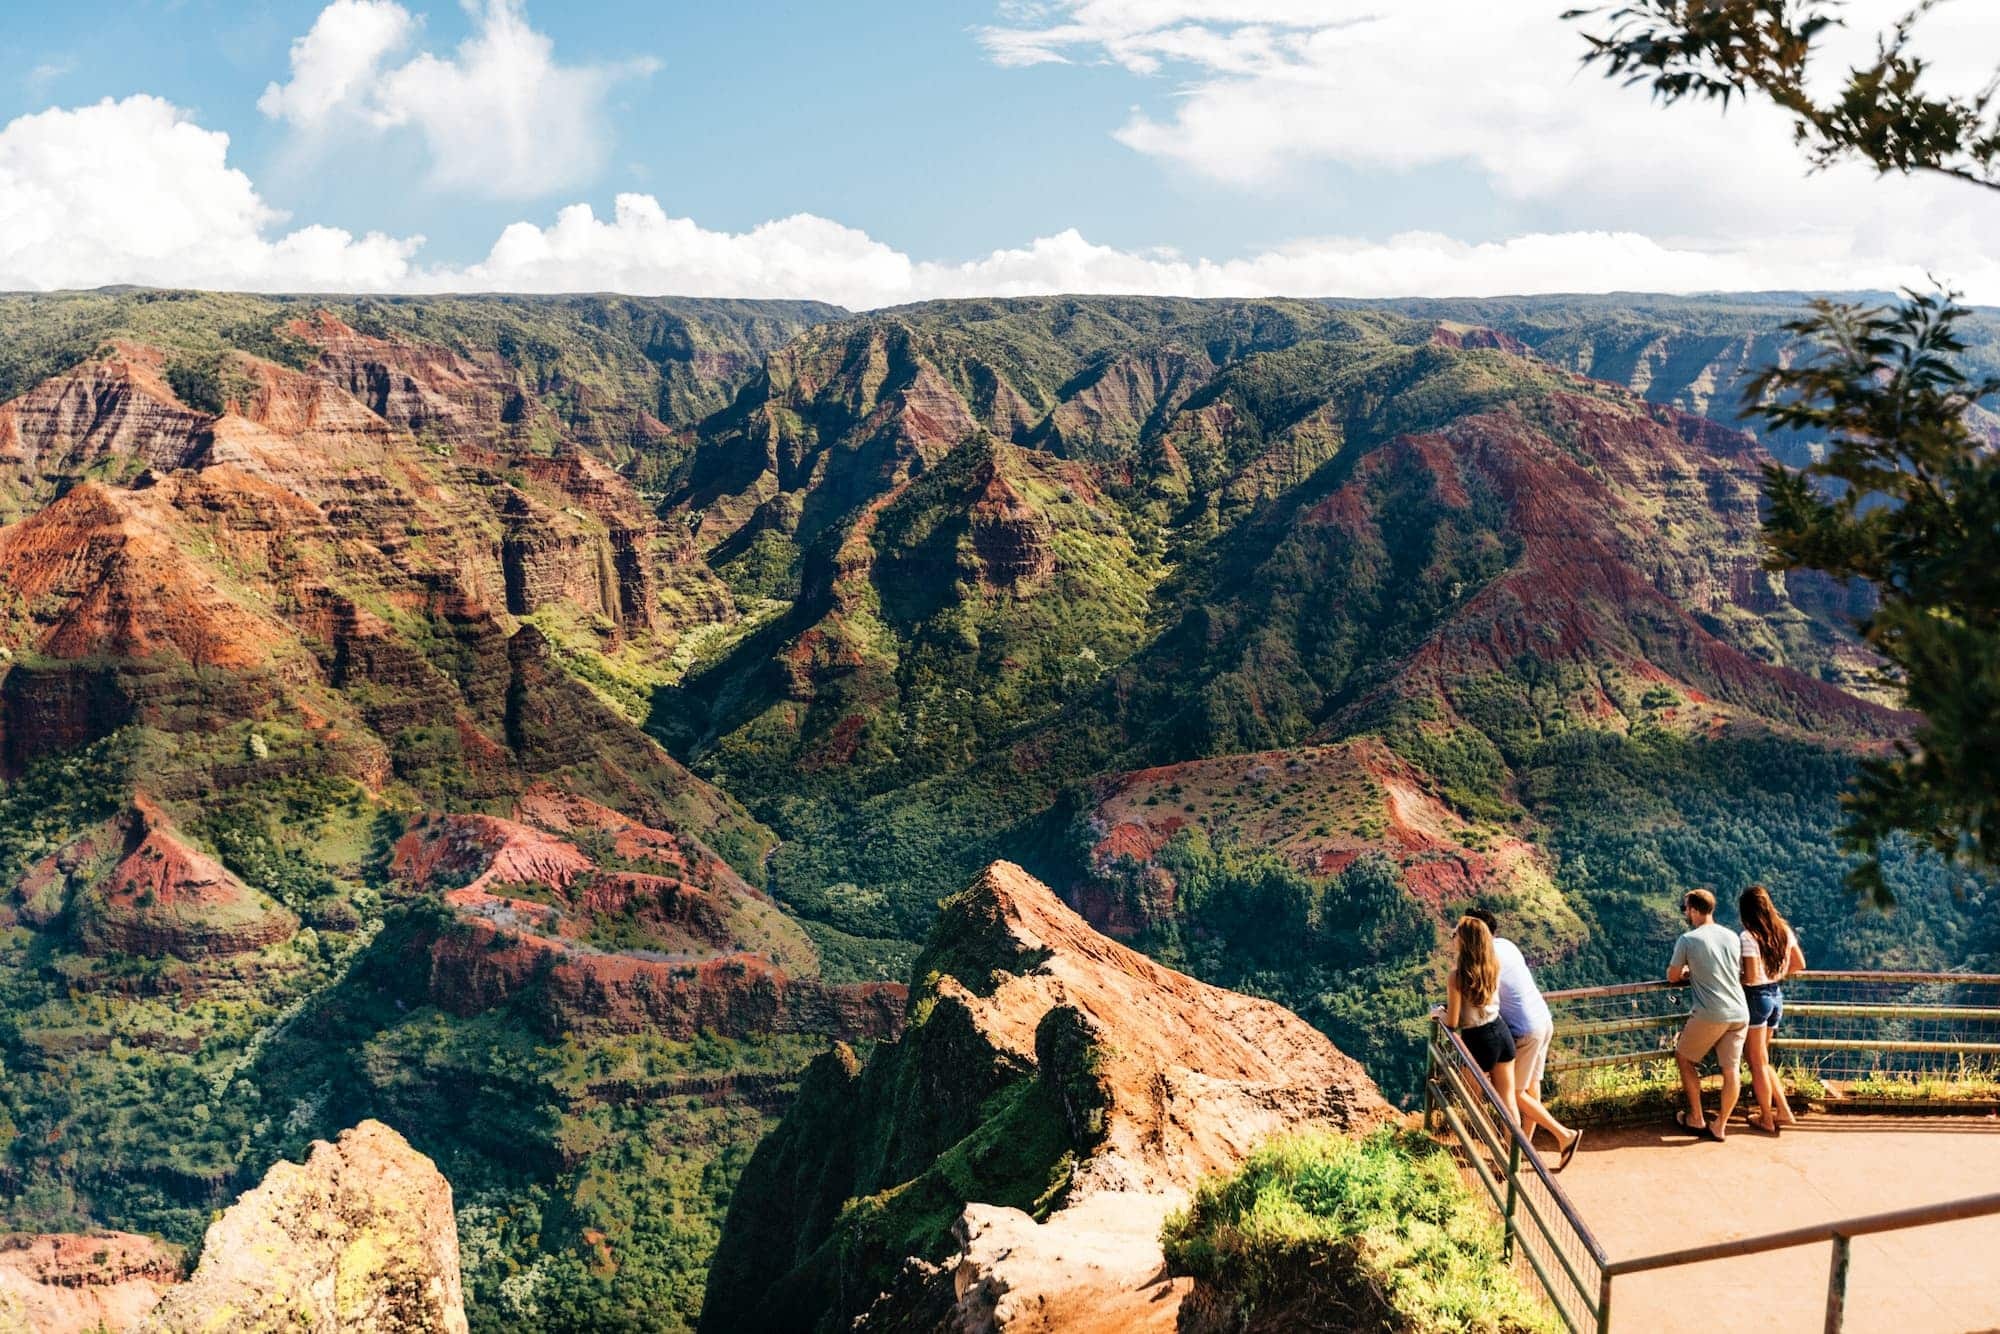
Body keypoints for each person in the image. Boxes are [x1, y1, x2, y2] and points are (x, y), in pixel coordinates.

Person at [1468, 908, 1584, 1170]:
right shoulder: (1507, 945)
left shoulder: (1488, 957)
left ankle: (1564, 1135)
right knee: (1531, 1087)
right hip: (1544, 1019)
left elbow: (1482, 999)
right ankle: (1522, 1150)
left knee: (1511, 1093)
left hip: (1525, 1030)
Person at [1667, 888, 1750, 1141]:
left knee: (1684, 1058)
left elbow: (1672, 976)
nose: (1685, 914)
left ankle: (1697, 1118)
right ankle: (1720, 1125)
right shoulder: (1732, 936)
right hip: (1739, 1011)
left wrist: (1689, 974)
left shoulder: (1688, 940)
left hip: (1711, 1012)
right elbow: (1734, 970)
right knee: (1731, 1069)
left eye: (1685, 909)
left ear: (1693, 909)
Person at [1739, 884, 1807, 1133]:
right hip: (1776, 995)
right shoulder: (1784, 931)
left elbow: (1747, 977)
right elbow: (1799, 963)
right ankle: (1784, 1111)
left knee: (1756, 1061)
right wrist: (1774, 974)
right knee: (1763, 1059)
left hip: (1756, 998)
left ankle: (1767, 1117)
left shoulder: (1748, 937)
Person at [1446, 915, 1518, 1124]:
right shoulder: (1492, 966)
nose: (1452, 938)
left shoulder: (1457, 977)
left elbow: (1452, 1023)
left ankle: (1486, 1147)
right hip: (1500, 1031)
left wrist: (1440, 1014)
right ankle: (1513, 1152)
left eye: (1455, 934)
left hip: (1477, 1039)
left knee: (1471, 1100)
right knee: (1508, 1101)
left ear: (1465, 941)